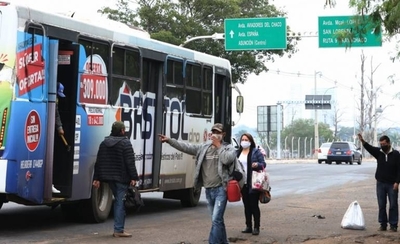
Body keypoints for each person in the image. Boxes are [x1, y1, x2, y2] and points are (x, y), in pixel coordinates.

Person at [159, 123, 236, 244]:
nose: (215, 135)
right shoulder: (204, 147)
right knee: (217, 220)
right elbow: (187, 147)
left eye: (218, 132)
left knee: (216, 219)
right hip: (209, 190)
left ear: (223, 134)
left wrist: (218, 146)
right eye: (213, 132)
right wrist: (169, 141)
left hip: (221, 189)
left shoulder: (228, 148)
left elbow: (227, 159)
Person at [93, 121, 139, 238]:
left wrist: (97, 178)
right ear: (122, 131)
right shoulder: (125, 143)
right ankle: (118, 230)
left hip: (109, 178)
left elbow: (99, 162)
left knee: (119, 201)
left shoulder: (104, 143)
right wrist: (134, 177)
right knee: (120, 202)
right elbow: (130, 162)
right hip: (121, 178)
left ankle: (118, 229)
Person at [357, 133, 400, 232]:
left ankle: (393, 225)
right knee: (381, 204)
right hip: (380, 183)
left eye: (384, 144)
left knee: (393, 205)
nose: (382, 146)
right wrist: (362, 140)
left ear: (389, 143)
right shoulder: (379, 153)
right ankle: (383, 224)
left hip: (392, 184)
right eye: (381, 144)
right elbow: (369, 148)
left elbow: (399, 169)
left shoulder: (396, 154)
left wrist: (397, 182)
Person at [237, 133, 266, 235]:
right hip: (242, 183)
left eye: (246, 139)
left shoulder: (255, 152)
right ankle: (248, 226)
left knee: (254, 205)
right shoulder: (238, 153)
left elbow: (263, 164)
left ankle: (256, 227)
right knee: (246, 205)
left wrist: (257, 164)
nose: (244, 141)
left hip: (253, 182)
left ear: (250, 141)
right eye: (242, 139)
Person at [52, 82, 66, 194]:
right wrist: (59, 127)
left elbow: (56, 114)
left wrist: (59, 127)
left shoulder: (55, 99)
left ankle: (51, 183)